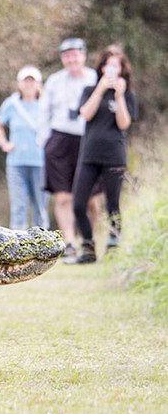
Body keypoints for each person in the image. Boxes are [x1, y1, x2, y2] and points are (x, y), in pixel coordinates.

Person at [71, 46, 137, 264]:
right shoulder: (90, 89)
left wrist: (118, 96)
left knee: (113, 205)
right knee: (79, 203)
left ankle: (113, 246)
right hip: (89, 154)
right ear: (101, 67)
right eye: (108, 65)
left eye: (116, 65)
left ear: (122, 69)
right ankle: (88, 247)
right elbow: (85, 114)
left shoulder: (127, 94)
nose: (111, 69)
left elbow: (124, 123)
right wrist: (100, 90)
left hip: (114, 156)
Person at [38, 38, 100, 258]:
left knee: (91, 197)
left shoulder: (95, 78)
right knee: (63, 196)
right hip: (60, 139)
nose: (72, 59)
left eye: (75, 54)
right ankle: (69, 242)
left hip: (88, 140)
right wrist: (44, 143)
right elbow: (44, 112)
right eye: (67, 55)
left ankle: (88, 240)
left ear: (83, 55)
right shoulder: (54, 81)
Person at [0, 66, 49, 230]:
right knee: (18, 207)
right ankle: (17, 246)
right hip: (17, 163)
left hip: (41, 162)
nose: (29, 84)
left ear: (39, 83)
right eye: (26, 80)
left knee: (40, 206)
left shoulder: (46, 104)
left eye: (33, 80)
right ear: (19, 83)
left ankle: (42, 246)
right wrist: (4, 143)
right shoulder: (12, 104)